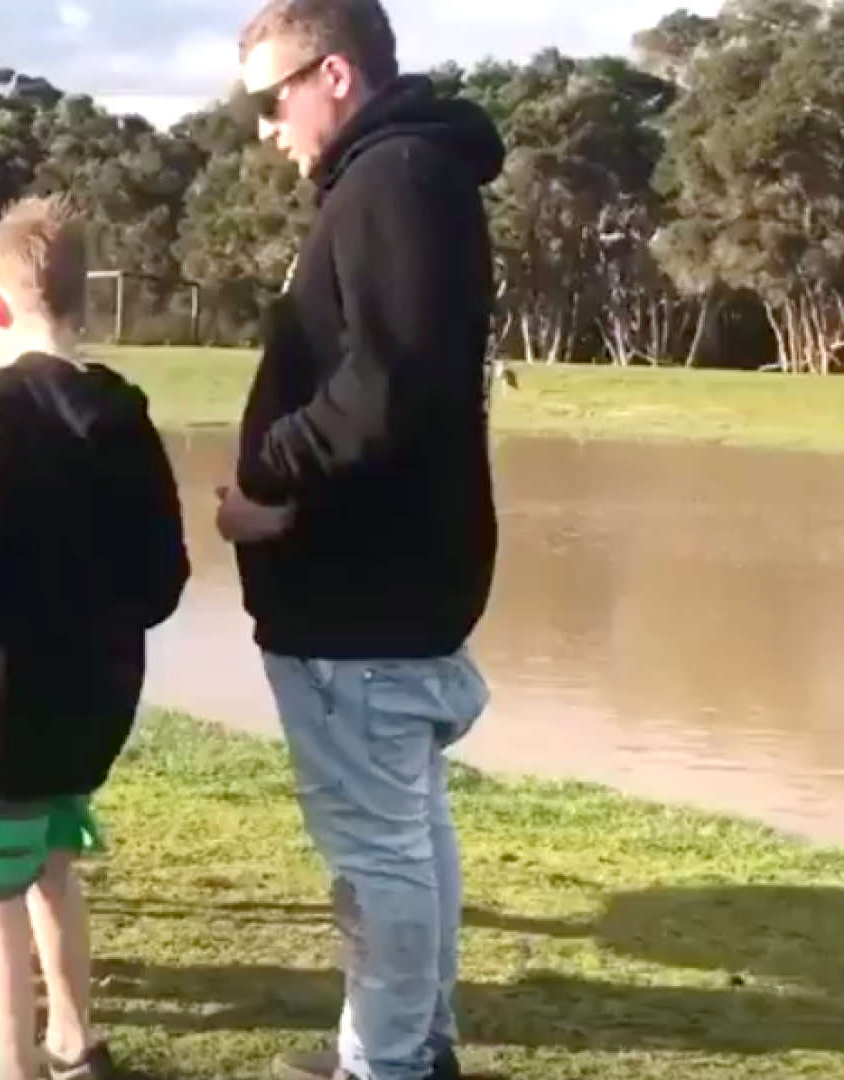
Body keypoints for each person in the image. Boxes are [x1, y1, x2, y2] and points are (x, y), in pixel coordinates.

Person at [216, 2, 505, 1079]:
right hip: (384, 581)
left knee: (377, 856)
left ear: (333, 75)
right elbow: (393, 387)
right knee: (411, 833)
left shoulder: (393, 184)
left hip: (360, 597)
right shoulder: (406, 179)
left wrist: (266, 482)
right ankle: (416, 1050)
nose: (264, 127)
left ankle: (382, 1066)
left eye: (270, 98)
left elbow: (384, 395)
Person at [0, 194, 190, 1080]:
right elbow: (164, 577)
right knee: (55, 865)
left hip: (0, 709)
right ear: (79, 302)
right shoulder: (127, 416)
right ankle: (74, 1038)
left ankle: (16, 1068)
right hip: (94, 703)